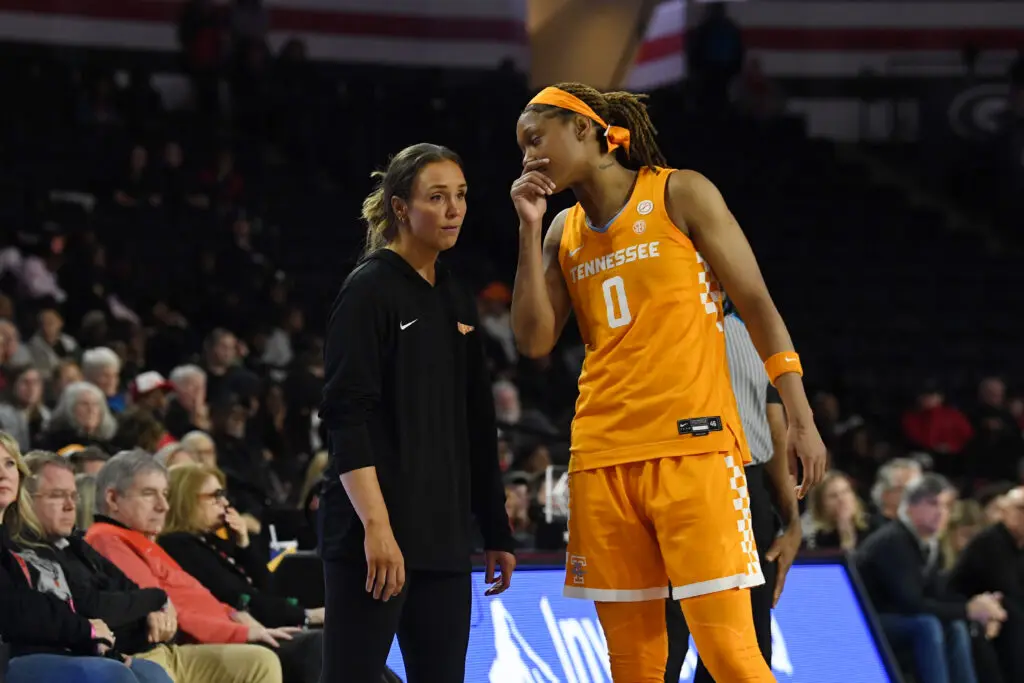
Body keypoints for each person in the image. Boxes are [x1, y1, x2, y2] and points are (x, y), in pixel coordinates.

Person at [509, 82, 827, 682]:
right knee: (633, 666)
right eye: (521, 147)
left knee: (730, 655)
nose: (527, 157)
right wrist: (529, 230)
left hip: (695, 449)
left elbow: (757, 305)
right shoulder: (561, 233)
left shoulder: (681, 192)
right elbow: (533, 342)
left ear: (584, 129)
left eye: (535, 139)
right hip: (601, 456)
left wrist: (802, 420)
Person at [318, 142, 516, 682]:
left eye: (461, 196)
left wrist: (495, 529)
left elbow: (478, 421)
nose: (454, 209)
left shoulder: (455, 295)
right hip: (374, 538)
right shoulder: (369, 290)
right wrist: (376, 529)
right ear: (401, 207)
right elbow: (344, 417)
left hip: (445, 542)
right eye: (437, 197)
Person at [19, 449, 282, 683]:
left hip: (160, 648)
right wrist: (157, 599)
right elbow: (97, 605)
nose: (163, 505)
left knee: (262, 662)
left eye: (73, 496)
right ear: (112, 499)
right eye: (149, 494)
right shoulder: (102, 538)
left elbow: (134, 592)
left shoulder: (78, 544)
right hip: (140, 650)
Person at [665, 299, 802, 681]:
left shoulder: (755, 330)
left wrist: (791, 520)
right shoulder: (661, 320)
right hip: (678, 479)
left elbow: (775, 427)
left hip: (749, 484)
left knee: (747, 644)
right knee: (667, 638)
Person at [0, 432, 172, 683]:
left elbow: (76, 607)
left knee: (150, 672)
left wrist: (100, 642)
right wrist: (88, 632)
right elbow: (19, 609)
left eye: (9, 463)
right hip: (17, 656)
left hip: (73, 646)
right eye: (57, 495)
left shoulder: (61, 546)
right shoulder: (26, 546)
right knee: (113, 674)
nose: (3, 472)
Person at [158, 462, 324, 683]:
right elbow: (239, 597)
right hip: (233, 635)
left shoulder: (211, 542)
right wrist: (306, 616)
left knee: (356, 637)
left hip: (259, 625)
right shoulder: (179, 546)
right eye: (215, 496)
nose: (225, 504)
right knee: (323, 643)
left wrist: (244, 544)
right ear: (186, 500)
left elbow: (266, 586)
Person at [856, 474, 1005, 683]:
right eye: (933, 504)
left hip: (898, 615)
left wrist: (978, 608)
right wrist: (968, 610)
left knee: (955, 626)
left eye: (945, 506)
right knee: (928, 625)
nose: (941, 513)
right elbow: (911, 603)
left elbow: (938, 596)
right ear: (910, 506)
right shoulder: (893, 541)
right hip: (865, 619)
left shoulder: (929, 543)